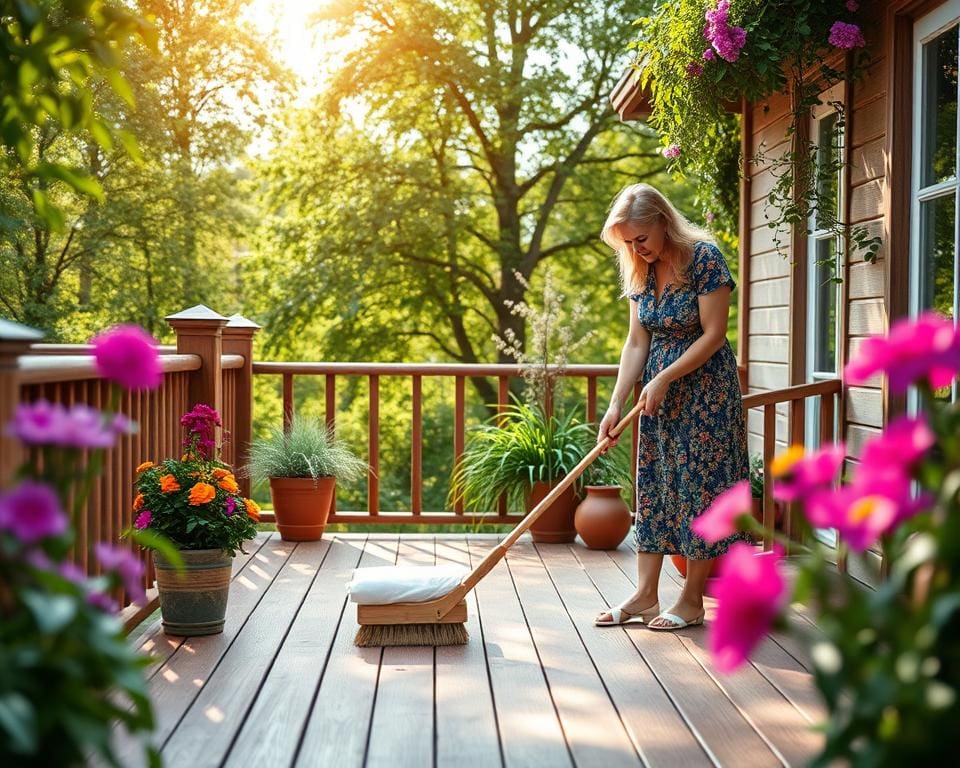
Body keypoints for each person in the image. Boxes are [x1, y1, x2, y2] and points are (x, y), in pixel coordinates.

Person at [595, 183, 749, 631]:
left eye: (640, 238)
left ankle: (691, 599)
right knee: (657, 484)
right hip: (659, 400)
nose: (634, 248)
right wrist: (615, 402)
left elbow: (714, 334)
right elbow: (637, 340)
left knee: (699, 488)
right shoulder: (640, 270)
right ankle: (645, 594)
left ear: (663, 222)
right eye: (626, 242)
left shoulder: (704, 258)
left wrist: (663, 376)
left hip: (705, 393)